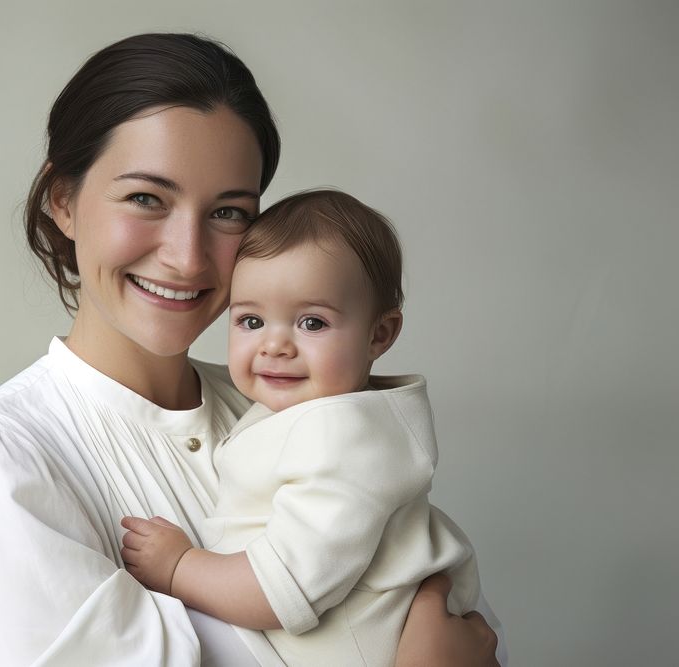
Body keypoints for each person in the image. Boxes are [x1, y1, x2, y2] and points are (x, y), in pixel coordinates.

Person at [0, 33, 501, 666]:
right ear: (63, 200)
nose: (188, 256)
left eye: (228, 212)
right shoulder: (4, 462)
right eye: (146, 199)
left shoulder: (303, 406)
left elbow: (452, 604)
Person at [120, 190, 501, 666]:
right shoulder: (306, 412)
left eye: (312, 322)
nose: (275, 345)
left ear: (379, 335)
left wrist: (180, 567)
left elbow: (283, 591)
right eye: (252, 320)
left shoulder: (343, 441)